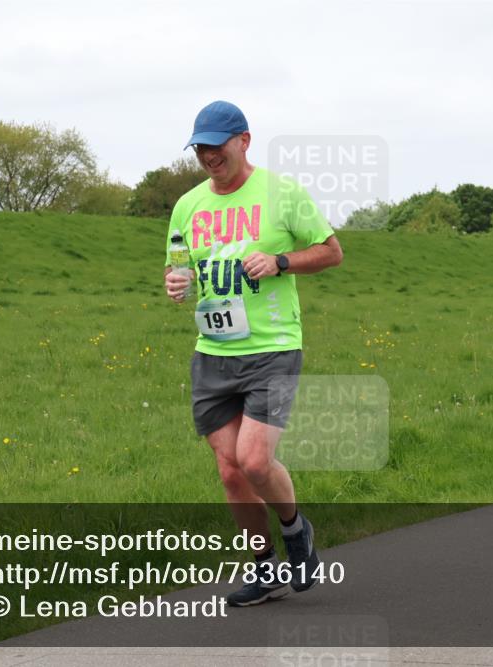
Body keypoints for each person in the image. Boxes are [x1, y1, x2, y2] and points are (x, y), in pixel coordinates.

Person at [164, 101, 343, 605]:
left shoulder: (281, 193)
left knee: (254, 460)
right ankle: (265, 569)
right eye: (199, 146)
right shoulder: (187, 206)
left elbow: (331, 251)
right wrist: (177, 283)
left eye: (215, 145)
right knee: (229, 471)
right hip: (213, 349)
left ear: (243, 140)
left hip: (272, 346)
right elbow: (180, 266)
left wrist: (282, 260)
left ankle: (295, 530)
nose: (207, 155)